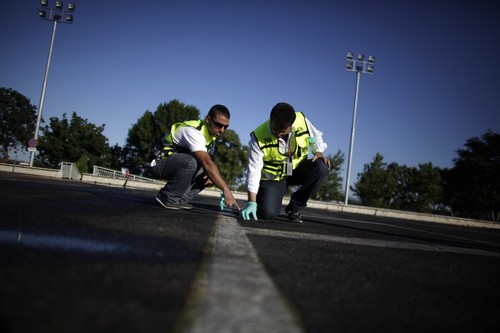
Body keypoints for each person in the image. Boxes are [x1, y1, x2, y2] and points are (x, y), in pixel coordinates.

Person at [241, 102, 330, 223]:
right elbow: (254, 170)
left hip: (296, 171)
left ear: (291, 126)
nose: (278, 134)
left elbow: (315, 137)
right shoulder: (258, 137)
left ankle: (295, 208)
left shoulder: (301, 120)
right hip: (275, 178)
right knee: (268, 214)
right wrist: (251, 201)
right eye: (275, 129)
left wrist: (318, 152)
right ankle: (263, 200)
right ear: (271, 119)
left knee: (321, 167)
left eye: (282, 131)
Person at [149, 104, 240, 211]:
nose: (222, 130)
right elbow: (206, 162)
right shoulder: (194, 132)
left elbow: (211, 159)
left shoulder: (211, 135)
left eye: (225, 126)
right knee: (193, 163)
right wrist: (226, 189)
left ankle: (181, 199)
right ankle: (167, 196)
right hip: (157, 163)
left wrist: (212, 176)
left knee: (211, 173)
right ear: (208, 119)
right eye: (219, 125)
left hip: (174, 162)